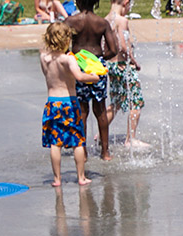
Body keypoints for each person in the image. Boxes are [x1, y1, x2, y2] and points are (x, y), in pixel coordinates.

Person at [40, 21, 100, 188]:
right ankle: (81, 177)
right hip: (69, 103)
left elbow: (48, 73)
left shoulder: (44, 58)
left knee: (55, 142)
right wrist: (94, 77)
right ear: (67, 40)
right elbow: (80, 77)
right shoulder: (68, 60)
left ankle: (57, 179)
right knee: (77, 141)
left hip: (52, 103)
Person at [66, 0, 118, 160]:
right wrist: (98, 60)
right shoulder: (102, 23)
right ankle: (105, 152)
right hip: (97, 67)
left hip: (79, 65)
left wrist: (74, 59)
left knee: (82, 110)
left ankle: (83, 152)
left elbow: (61, 44)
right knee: (100, 109)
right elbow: (113, 49)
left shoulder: (70, 22)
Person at [105, 0, 147, 148]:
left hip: (112, 65)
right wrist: (134, 61)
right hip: (123, 65)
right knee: (136, 101)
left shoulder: (106, 19)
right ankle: (131, 139)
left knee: (116, 102)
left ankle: (101, 134)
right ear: (125, 2)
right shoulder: (122, 20)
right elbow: (123, 45)